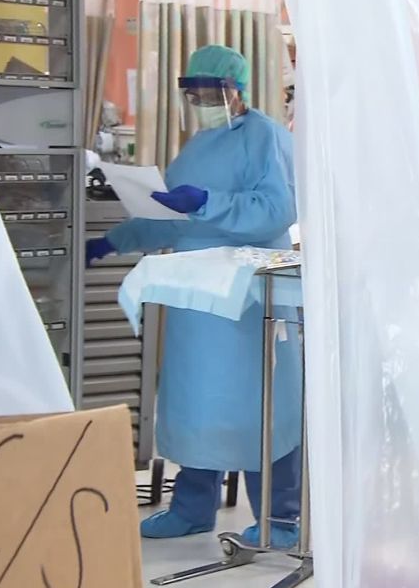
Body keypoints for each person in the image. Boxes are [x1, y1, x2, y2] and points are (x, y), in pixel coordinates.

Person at [86, 45, 302, 547]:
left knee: (261, 405)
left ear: (235, 90)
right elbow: (170, 213)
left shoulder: (264, 137)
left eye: (211, 91)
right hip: (195, 298)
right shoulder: (196, 145)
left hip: (248, 297)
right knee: (196, 403)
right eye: (193, 92)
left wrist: (209, 201)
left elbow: (276, 208)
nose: (202, 100)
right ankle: (192, 506)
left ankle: (280, 517)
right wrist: (118, 238)